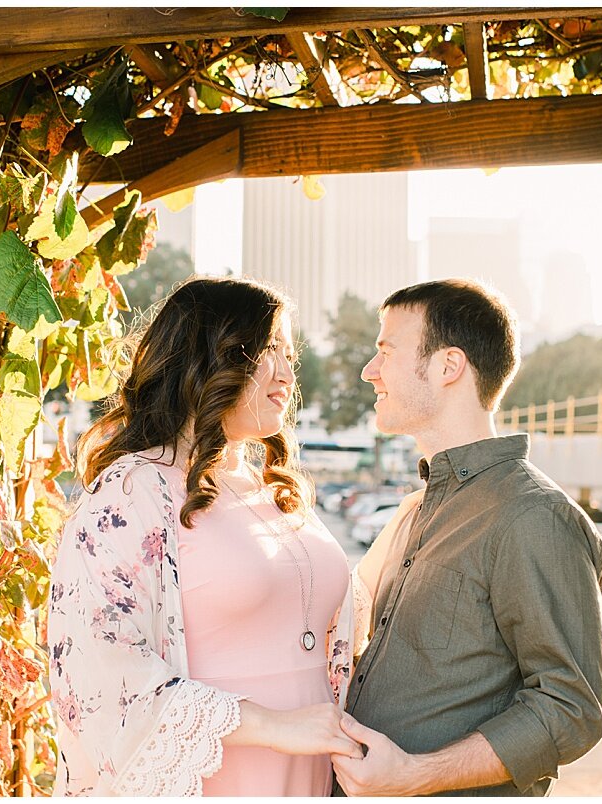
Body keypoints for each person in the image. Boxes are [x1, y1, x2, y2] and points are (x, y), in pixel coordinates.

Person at [47, 276, 364, 796]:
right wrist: (275, 726)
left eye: (290, 355)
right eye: (268, 351)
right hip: (218, 777)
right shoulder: (134, 489)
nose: (287, 375)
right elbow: (97, 663)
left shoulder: (274, 488)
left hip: (310, 775)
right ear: (209, 359)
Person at [333, 278, 602, 797]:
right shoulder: (418, 509)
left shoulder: (533, 516)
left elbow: (570, 708)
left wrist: (415, 776)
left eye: (385, 352)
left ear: (448, 366)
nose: (370, 372)